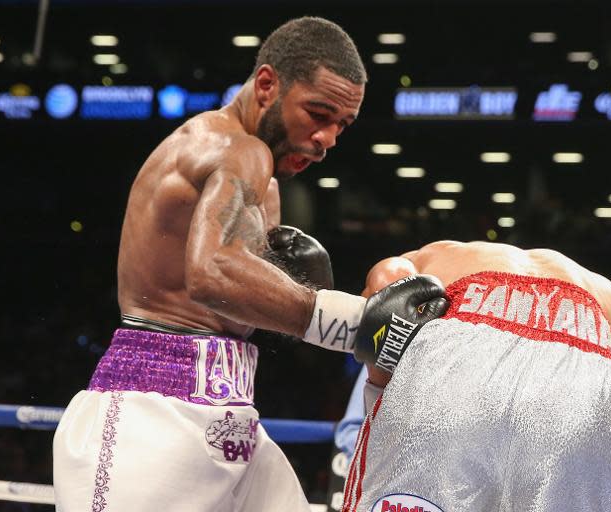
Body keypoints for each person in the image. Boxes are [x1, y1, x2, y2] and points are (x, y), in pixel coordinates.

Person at [52, 17, 447, 512]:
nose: (327, 138)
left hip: (229, 413)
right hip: (148, 416)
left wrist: (287, 288)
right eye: (318, 113)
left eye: (342, 125)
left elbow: (233, 306)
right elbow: (212, 273)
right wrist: (354, 324)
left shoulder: (267, 184)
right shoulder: (235, 148)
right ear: (266, 85)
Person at [344, 240, 611, 512]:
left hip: (468, 331)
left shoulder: (435, 254)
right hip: (592, 352)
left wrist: (383, 391)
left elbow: (385, 292)